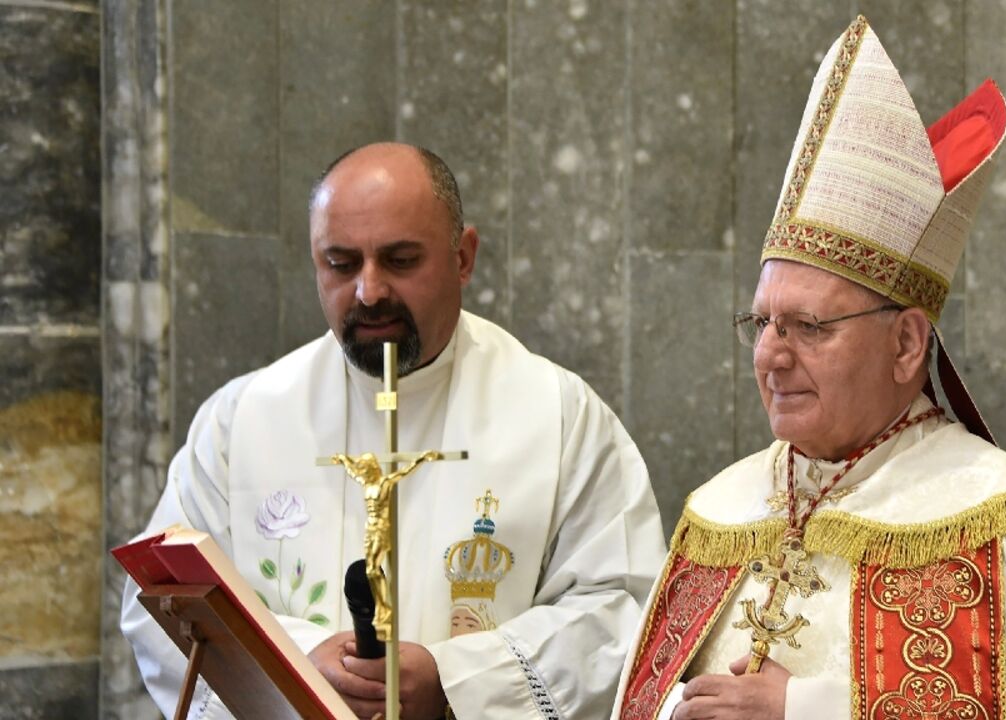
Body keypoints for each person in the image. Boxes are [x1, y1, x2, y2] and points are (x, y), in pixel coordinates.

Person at [611, 17, 1006, 720]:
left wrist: (802, 711)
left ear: (906, 344)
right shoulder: (717, 513)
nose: (772, 355)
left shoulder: (1000, 522)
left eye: (809, 327)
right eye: (762, 323)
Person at [121, 142, 668, 720]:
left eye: (401, 260)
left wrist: (456, 683)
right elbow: (159, 602)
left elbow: (624, 610)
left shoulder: (560, 415)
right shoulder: (243, 419)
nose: (369, 290)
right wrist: (301, 661)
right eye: (341, 263)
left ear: (463, 257)